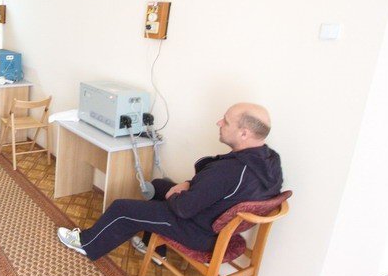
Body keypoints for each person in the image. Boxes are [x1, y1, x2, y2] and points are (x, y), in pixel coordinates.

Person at [57, 103, 282, 261]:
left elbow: (184, 208)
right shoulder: (269, 161)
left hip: (198, 231)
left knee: (122, 209)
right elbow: (216, 189)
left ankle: (86, 243)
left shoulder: (230, 171)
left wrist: (175, 194)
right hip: (212, 220)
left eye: (226, 121)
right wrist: (186, 184)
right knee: (159, 184)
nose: (218, 122)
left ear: (244, 134)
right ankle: (154, 250)